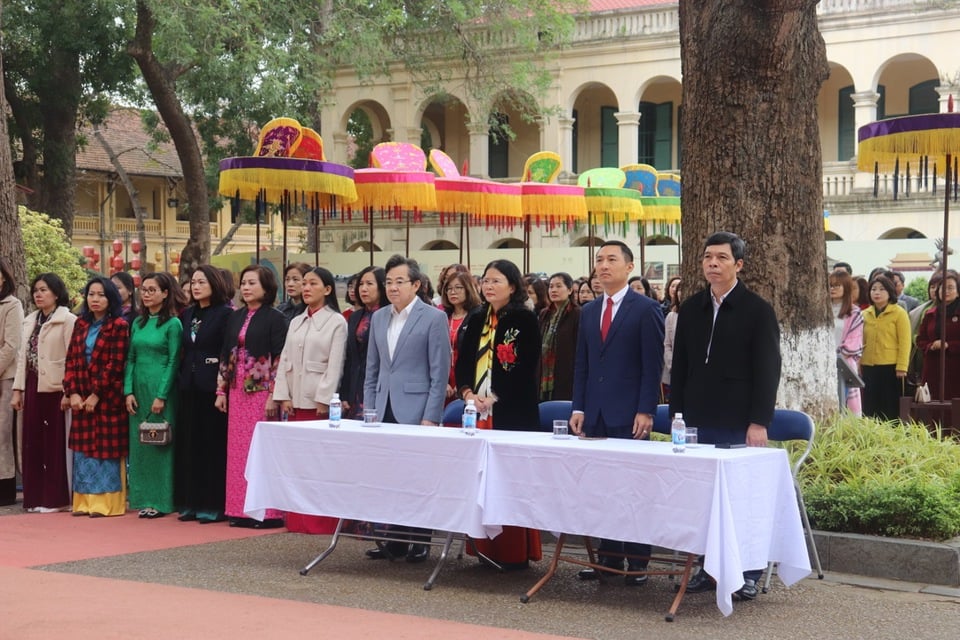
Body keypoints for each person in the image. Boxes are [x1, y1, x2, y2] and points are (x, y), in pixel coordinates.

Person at [670, 231, 782, 601]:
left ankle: (747, 571)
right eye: (707, 257)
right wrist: (677, 417)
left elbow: (768, 370)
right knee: (701, 498)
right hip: (697, 418)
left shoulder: (757, 310)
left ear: (739, 264)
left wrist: (759, 421)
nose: (712, 264)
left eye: (721, 258)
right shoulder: (691, 308)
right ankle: (706, 566)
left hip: (739, 419)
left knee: (739, 500)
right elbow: (681, 366)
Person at [569, 241, 664, 586]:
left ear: (629, 266)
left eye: (611, 259)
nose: (604, 265)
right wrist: (578, 405)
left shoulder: (645, 309)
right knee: (601, 488)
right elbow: (583, 363)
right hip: (594, 413)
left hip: (629, 414)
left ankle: (638, 561)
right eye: (599, 259)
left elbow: (652, 367)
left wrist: (646, 410)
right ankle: (607, 557)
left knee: (633, 489)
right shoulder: (590, 311)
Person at [363, 255, 450, 563]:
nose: (393, 287)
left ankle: (421, 540)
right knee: (389, 475)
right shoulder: (379, 317)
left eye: (400, 281)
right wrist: (369, 410)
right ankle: (395, 540)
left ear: (417, 284)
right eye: (388, 282)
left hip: (416, 408)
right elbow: (372, 369)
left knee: (417, 476)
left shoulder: (433, 317)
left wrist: (431, 416)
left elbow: (439, 373)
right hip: (383, 406)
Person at [456, 259, 542, 569]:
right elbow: (464, 360)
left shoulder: (525, 319)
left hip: (512, 411)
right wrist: (468, 393)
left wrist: (494, 397)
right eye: (485, 281)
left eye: (496, 281)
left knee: (509, 482)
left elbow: (526, 366)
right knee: (480, 480)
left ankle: (515, 552)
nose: (488, 286)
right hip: (477, 411)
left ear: (513, 286)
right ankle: (483, 549)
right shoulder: (477, 317)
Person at [274, 266, 347, 535]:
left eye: (312, 284)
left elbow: (335, 365)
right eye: (304, 284)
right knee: (297, 463)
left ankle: (320, 522)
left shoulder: (336, 322)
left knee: (320, 464)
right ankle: (297, 519)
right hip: (294, 400)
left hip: (318, 404)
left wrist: (324, 399)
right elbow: (284, 361)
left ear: (327, 290)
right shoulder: (295, 321)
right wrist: (282, 394)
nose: (305, 288)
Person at [215, 264, 288, 529]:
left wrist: (273, 395)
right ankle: (239, 509)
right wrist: (221, 390)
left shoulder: (276, 318)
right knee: (238, 453)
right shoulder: (234, 317)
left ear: (267, 287)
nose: (245, 288)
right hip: (237, 391)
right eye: (243, 283)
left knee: (262, 452)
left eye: (252, 283)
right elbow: (225, 354)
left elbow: (280, 359)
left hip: (261, 393)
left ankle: (267, 513)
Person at [62, 277, 130, 517]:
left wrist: (95, 394)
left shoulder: (119, 325)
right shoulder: (80, 324)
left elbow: (115, 364)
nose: (95, 299)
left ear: (111, 298)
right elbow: (71, 359)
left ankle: (107, 504)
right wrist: (73, 391)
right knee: (83, 452)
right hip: (81, 396)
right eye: (91, 294)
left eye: (101, 295)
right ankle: (83, 502)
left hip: (107, 398)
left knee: (105, 452)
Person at [11, 273, 75, 512]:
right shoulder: (30, 321)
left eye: (44, 290)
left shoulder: (67, 320)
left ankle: (55, 499)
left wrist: (69, 391)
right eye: (36, 290)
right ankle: (35, 497)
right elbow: (21, 359)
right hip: (32, 385)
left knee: (54, 443)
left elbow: (73, 357)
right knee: (32, 442)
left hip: (56, 387)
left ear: (56, 293)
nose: (38, 294)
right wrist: (17, 390)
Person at [175, 265, 232, 524]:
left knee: (211, 446)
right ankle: (190, 502)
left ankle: (212, 504)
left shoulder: (225, 314)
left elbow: (226, 352)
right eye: (193, 282)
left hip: (212, 386)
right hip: (189, 384)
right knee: (190, 444)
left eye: (202, 282)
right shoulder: (188, 314)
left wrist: (222, 385)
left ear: (215, 284)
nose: (196, 287)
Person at [124, 272, 183, 519]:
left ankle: (161, 500)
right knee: (140, 445)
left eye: (152, 290)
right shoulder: (137, 323)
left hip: (161, 388)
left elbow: (173, 360)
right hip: (138, 388)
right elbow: (131, 358)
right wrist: (127, 390)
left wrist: (162, 395)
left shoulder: (173, 324)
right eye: (144, 290)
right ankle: (140, 497)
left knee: (161, 442)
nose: (146, 294)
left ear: (166, 293)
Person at [860, 274, 911, 421]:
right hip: (869, 364)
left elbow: (905, 342)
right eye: (873, 289)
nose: (877, 292)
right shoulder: (865, 314)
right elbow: (860, 341)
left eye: (882, 289)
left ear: (890, 292)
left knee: (889, 405)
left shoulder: (899, 313)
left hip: (891, 366)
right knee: (870, 404)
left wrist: (902, 366)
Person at [340, 266, 388, 419]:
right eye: (361, 284)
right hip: (356, 387)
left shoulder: (389, 316)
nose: (363, 289)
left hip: (380, 386)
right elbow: (350, 358)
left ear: (381, 287)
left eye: (369, 284)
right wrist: (345, 393)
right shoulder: (355, 317)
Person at [0, 259, 24, 506]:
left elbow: (11, 345)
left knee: (2, 434)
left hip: (5, 377)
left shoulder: (12, 304)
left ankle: (5, 487)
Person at [916, 270, 960, 403]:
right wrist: (931, 346)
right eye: (942, 288)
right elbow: (920, 340)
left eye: (950, 287)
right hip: (933, 367)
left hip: (955, 367)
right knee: (932, 407)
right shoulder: (930, 314)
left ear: (958, 292)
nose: (945, 291)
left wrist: (949, 345)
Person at [441, 270, 481, 404]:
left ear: (468, 289)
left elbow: (477, 355)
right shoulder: (442, 316)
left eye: (458, 287)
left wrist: (464, 384)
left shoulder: (478, 316)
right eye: (449, 289)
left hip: (468, 380)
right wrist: (443, 382)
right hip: (443, 380)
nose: (453, 292)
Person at [538, 272, 580, 402]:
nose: (553, 290)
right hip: (543, 373)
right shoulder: (545, 314)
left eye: (558, 286)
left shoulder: (577, 314)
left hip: (566, 373)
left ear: (569, 289)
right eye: (551, 286)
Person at [830, 270, 864, 416]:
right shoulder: (820, 310)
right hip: (822, 364)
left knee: (845, 405)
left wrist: (836, 355)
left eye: (837, 285)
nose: (833, 289)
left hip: (844, 364)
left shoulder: (854, 312)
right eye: (830, 285)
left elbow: (854, 341)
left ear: (846, 288)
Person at [661, 279, 681, 403]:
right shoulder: (671, 316)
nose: (680, 292)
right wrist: (672, 364)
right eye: (678, 289)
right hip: (671, 371)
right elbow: (667, 344)